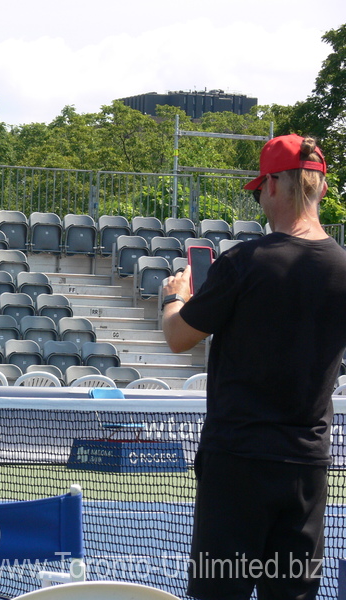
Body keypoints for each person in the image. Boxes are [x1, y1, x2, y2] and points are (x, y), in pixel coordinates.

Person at [162, 134, 346, 600]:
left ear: (273, 187)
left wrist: (172, 299)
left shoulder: (244, 262)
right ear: (321, 189)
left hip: (237, 463)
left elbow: (178, 337)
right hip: (305, 467)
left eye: (260, 188)